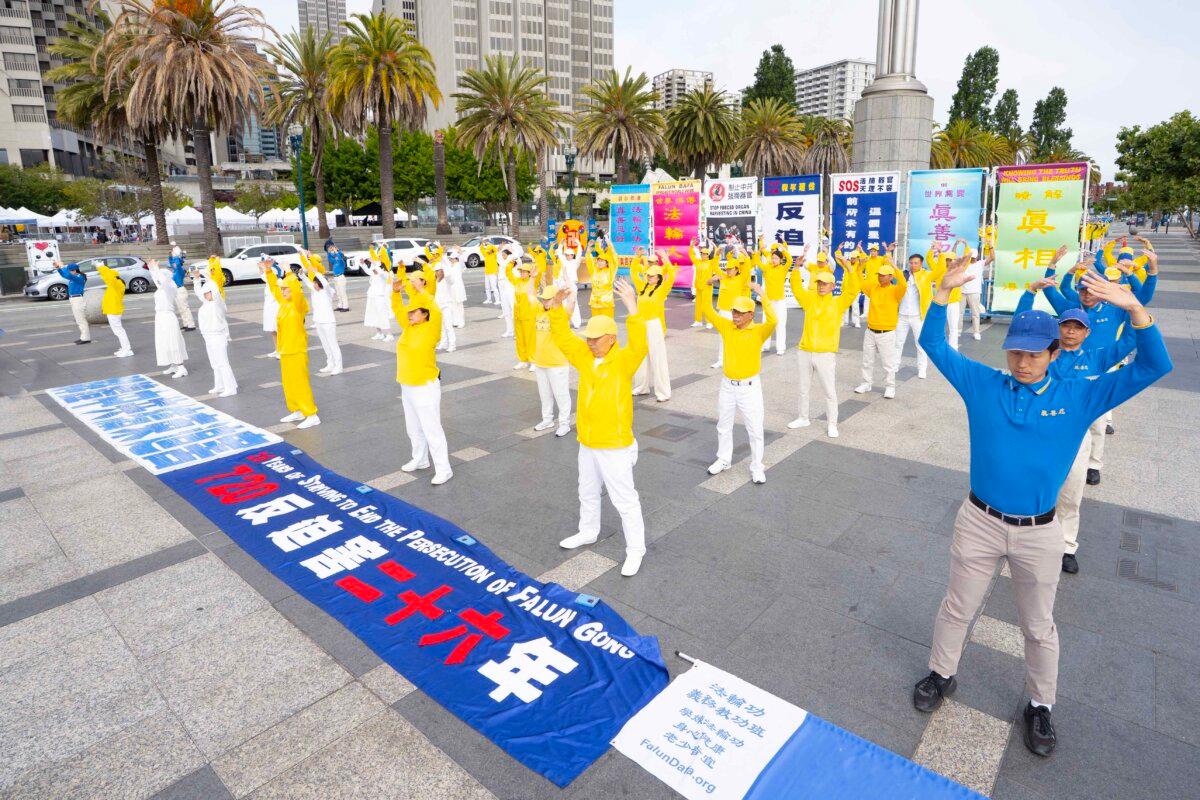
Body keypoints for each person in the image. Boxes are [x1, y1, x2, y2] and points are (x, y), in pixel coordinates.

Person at [912, 256, 1171, 759]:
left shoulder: (1080, 395)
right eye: (1015, 351)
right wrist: (941, 293)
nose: (1023, 362)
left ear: (1054, 351)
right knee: (956, 607)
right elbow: (933, 344)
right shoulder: (983, 385)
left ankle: (1039, 705)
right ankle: (941, 674)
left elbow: (1154, 365)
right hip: (979, 522)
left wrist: (1137, 308)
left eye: (1034, 353)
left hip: (1040, 532)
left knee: (1038, 625)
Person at [1016, 277, 1138, 574]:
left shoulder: (1098, 358)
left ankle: (1067, 546)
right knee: (1032, 488)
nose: (1070, 332)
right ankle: (1027, 542)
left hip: (1075, 436)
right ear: (1058, 328)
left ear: (1087, 332)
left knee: (1070, 493)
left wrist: (1133, 307)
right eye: (1066, 326)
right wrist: (1030, 292)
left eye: (1077, 328)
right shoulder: (1044, 355)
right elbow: (1019, 327)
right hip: (1039, 431)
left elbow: (1132, 340)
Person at [550, 279, 648, 576]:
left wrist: (632, 306)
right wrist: (556, 307)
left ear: (611, 338)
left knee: (624, 499)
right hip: (588, 441)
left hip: (614, 445)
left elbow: (641, 343)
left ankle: (636, 550)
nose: (590, 342)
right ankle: (588, 531)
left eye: (596, 338)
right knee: (587, 490)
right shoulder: (584, 355)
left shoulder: (623, 361)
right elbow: (563, 336)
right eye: (589, 337)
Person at [697, 268, 776, 485]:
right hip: (727, 386)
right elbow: (707, 309)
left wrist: (762, 295)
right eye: (734, 311)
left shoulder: (759, 331)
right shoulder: (726, 326)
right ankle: (724, 459)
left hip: (749, 387)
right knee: (723, 425)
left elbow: (773, 320)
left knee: (755, 429)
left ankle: (757, 467)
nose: (735, 316)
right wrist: (708, 284)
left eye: (740, 312)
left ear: (751, 314)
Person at [391, 259, 452, 485]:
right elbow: (398, 309)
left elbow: (434, 307)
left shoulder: (431, 328)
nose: (409, 315)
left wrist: (421, 290)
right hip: (406, 383)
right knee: (413, 427)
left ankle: (444, 468)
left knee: (431, 428)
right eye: (410, 312)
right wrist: (396, 293)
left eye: (414, 312)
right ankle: (420, 458)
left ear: (424, 314)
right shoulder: (409, 326)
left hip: (425, 385)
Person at [787, 257, 861, 437]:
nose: (821, 286)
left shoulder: (837, 303)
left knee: (829, 391)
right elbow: (796, 289)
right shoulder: (809, 299)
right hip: (805, 350)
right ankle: (803, 417)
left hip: (825, 353)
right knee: (803, 388)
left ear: (832, 286)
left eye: (825, 283)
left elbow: (852, 291)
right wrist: (796, 268)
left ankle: (832, 424)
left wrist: (850, 269)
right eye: (819, 282)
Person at [263, 262, 320, 429]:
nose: (282, 291)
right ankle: (296, 409)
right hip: (285, 350)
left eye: (285, 289)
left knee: (300, 382)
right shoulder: (284, 304)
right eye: (283, 289)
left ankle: (311, 413)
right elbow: (274, 288)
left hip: (297, 349)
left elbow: (294, 288)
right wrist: (268, 271)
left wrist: (289, 274)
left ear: (293, 289)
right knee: (288, 382)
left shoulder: (297, 305)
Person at [853, 259, 907, 399]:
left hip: (887, 332)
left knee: (888, 363)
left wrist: (894, 267)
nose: (880, 277)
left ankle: (890, 387)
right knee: (867, 360)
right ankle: (866, 383)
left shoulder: (896, 291)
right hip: (870, 330)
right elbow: (862, 283)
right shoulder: (874, 288)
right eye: (879, 274)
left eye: (883, 275)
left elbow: (903, 283)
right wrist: (861, 267)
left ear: (891, 277)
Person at [631, 249, 677, 402]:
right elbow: (633, 272)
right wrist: (637, 257)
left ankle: (663, 392)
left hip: (654, 325)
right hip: (641, 325)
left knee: (658, 359)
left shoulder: (662, 289)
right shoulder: (642, 287)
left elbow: (671, 275)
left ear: (658, 277)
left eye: (652, 275)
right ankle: (640, 387)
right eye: (648, 275)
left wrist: (666, 259)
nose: (649, 277)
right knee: (640, 357)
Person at [529, 283, 573, 436]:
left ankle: (564, 423)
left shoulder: (561, 313)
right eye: (544, 299)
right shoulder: (539, 310)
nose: (545, 302)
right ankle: (547, 419)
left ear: (556, 299)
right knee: (544, 393)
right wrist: (532, 278)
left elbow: (571, 304)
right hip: (540, 361)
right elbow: (530, 296)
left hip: (557, 363)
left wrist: (569, 293)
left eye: (549, 299)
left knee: (561, 394)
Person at [193, 267, 237, 396]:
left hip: (218, 336)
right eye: (205, 293)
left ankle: (230, 388)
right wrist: (196, 279)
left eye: (208, 292)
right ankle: (220, 385)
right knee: (215, 363)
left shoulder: (217, 304)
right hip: (208, 337)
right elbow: (199, 292)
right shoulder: (205, 304)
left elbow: (214, 289)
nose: (205, 295)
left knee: (223, 362)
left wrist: (207, 275)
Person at [301, 251, 343, 375]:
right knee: (325, 344)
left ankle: (338, 366)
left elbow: (324, 282)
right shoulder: (314, 291)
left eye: (315, 283)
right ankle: (330, 363)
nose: (313, 285)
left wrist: (316, 272)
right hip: (318, 321)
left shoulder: (327, 291)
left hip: (328, 321)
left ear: (319, 284)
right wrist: (302, 274)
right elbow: (306, 281)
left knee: (332, 343)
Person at [894, 250, 934, 380]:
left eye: (916, 263)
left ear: (921, 264)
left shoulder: (926, 276)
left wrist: (934, 251)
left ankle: (922, 369)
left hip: (918, 316)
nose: (913, 265)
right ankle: (894, 365)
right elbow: (894, 272)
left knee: (920, 344)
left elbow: (940, 270)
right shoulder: (904, 275)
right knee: (898, 342)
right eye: (911, 263)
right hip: (902, 315)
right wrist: (889, 254)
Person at [756, 238, 798, 356]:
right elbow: (756, 260)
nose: (773, 260)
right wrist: (759, 250)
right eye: (772, 258)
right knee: (767, 323)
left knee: (780, 324)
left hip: (779, 301)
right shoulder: (766, 268)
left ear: (780, 260)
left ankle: (781, 348)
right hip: (768, 301)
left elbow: (790, 260)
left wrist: (784, 249)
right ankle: (765, 345)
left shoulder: (783, 269)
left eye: (776, 258)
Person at [148, 260, 189, 378]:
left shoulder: (170, 287)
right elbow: (157, 278)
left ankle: (181, 367)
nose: (159, 279)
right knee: (164, 341)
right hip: (160, 316)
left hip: (168, 316)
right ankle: (174, 364)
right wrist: (152, 268)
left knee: (173, 341)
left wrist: (156, 268)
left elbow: (162, 279)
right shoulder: (162, 287)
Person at [929, 240, 969, 350]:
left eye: (953, 260)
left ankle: (953, 348)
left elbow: (967, 260)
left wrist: (966, 246)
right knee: (938, 327)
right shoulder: (938, 269)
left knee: (953, 327)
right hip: (940, 302)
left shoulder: (959, 270)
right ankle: (938, 346)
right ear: (945, 260)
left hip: (954, 303)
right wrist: (933, 249)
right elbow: (929, 260)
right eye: (948, 259)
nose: (951, 262)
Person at [506, 254, 538, 367]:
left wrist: (534, 261)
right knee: (520, 339)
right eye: (521, 271)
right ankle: (523, 360)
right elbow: (508, 273)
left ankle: (533, 360)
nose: (522, 273)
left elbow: (536, 270)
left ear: (529, 273)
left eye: (525, 271)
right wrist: (511, 262)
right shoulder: (517, 281)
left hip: (529, 315)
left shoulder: (533, 282)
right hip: (518, 315)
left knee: (530, 339)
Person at [425, 244, 457, 353]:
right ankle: (443, 343)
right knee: (441, 326)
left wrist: (442, 256)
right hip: (438, 304)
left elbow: (447, 271)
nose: (437, 273)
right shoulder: (435, 280)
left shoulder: (447, 278)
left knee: (448, 325)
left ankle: (452, 344)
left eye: (438, 271)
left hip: (446, 305)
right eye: (436, 271)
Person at [97, 262, 133, 357]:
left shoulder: (117, 283)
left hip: (114, 310)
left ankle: (127, 349)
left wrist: (102, 267)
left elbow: (108, 277)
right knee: (118, 331)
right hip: (112, 310)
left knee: (119, 331)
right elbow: (107, 277)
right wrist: (101, 269)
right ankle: (125, 348)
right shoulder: (114, 284)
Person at [362, 246, 395, 342]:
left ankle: (389, 334)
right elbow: (370, 272)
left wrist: (375, 264)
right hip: (372, 294)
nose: (378, 257)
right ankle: (379, 333)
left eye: (380, 256)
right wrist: (363, 264)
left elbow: (383, 275)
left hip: (380, 295)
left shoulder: (386, 271)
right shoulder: (376, 268)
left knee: (382, 314)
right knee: (374, 314)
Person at [962, 243, 993, 341]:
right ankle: (958, 332)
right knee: (959, 313)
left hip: (974, 291)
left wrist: (990, 246)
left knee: (975, 313)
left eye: (974, 257)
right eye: (971, 257)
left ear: (977, 257)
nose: (973, 259)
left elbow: (992, 257)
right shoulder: (963, 265)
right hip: (962, 291)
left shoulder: (980, 264)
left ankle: (976, 332)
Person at [55, 260, 90, 344]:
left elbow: (67, 275)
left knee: (81, 319)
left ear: (74, 270)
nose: (69, 272)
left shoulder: (79, 277)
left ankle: (85, 338)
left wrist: (62, 266)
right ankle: (84, 337)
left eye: (69, 270)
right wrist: (58, 268)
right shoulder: (74, 276)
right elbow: (64, 275)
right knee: (78, 319)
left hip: (78, 299)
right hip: (73, 299)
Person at [585, 239, 618, 318]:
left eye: (602, 261)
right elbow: (589, 260)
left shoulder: (610, 271)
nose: (599, 262)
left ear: (607, 263)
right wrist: (589, 248)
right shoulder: (594, 270)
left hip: (606, 304)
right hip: (595, 303)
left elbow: (614, 259)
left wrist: (610, 245)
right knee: (596, 326)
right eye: (598, 260)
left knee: (607, 326)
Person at [168, 244, 196, 331]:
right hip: (177, 290)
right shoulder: (176, 269)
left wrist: (176, 255)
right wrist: (171, 256)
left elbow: (176, 263)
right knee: (181, 309)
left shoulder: (179, 269)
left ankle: (191, 325)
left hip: (180, 289)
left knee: (184, 308)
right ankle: (186, 324)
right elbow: (172, 263)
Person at [259, 256, 283, 358]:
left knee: (278, 330)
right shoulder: (269, 281)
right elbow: (262, 275)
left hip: (276, 308)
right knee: (272, 330)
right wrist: (261, 266)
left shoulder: (278, 282)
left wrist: (266, 267)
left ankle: (282, 351)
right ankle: (277, 349)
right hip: (269, 308)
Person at [497, 245, 518, 338]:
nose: (503, 256)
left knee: (513, 309)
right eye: (502, 254)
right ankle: (509, 331)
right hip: (503, 287)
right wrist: (501, 250)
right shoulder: (503, 262)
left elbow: (517, 255)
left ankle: (517, 332)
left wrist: (511, 250)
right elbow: (499, 259)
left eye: (504, 254)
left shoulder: (511, 261)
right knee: (506, 310)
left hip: (511, 286)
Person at [325, 242, 350, 312]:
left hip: (341, 277)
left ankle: (346, 306)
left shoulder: (341, 261)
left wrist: (337, 251)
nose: (335, 256)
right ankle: (340, 305)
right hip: (336, 278)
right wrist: (329, 252)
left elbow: (339, 257)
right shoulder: (335, 261)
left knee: (342, 293)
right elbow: (330, 258)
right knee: (338, 293)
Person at [480, 240, 500, 304]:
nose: (488, 251)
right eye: (487, 250)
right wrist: (482, 243)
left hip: (493, 273)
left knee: (494, 287)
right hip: (487, 273)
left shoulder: (494, 255)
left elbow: (496, 249)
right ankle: (489, 299)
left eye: (489, 250)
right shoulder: (486, 255)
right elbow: (481, 249)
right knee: (487, 287)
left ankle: (498, 300)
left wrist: (489, 244)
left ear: (491, 250)